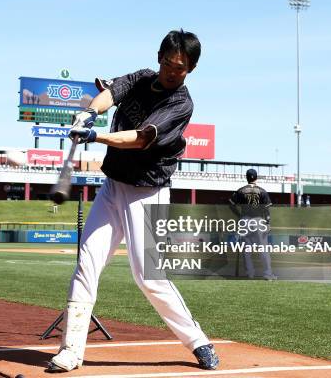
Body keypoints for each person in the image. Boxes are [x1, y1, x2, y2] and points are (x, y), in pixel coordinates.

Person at [47, 30, 219, 372]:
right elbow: (109, 94)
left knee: (149, 278)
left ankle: (197, 341)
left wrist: (96, 135)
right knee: (87, 262)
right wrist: (89, 114)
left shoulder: (180, 104)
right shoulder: (142, 78)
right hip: (113, 187)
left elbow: (140, 139)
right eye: (168, 63)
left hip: (148, 191)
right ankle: (70, 351)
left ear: (191, 69)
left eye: (180, 67)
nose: (172, 71)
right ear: (159, 58)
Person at [229, 169, 276, 281]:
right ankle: (267, 274)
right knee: (263, 248)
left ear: (247, 177)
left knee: (247, 249)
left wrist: (239, 215)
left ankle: (250, 274)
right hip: (259, 221)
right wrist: (268, 222)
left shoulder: (241, 190)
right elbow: (267, 210)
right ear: (256, 178)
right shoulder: (262, 191)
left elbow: (231, 204)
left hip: (245, 220)